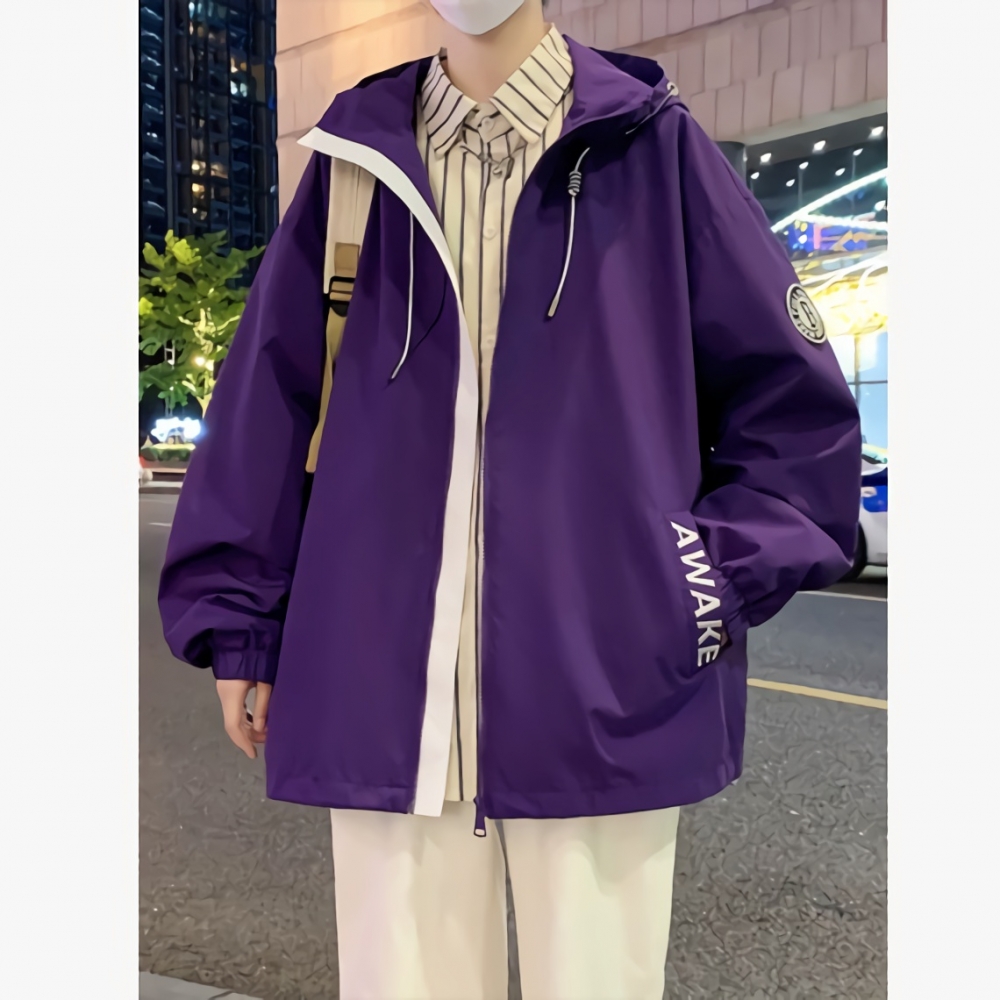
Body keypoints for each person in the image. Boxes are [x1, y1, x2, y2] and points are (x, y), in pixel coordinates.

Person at [159, 1, 861, 996]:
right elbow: (264, 407)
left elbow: (795, 412)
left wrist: (696, 583)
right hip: (383, 683)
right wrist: (239, 622)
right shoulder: (356, 169)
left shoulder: (655, 153)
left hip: (607, 687)